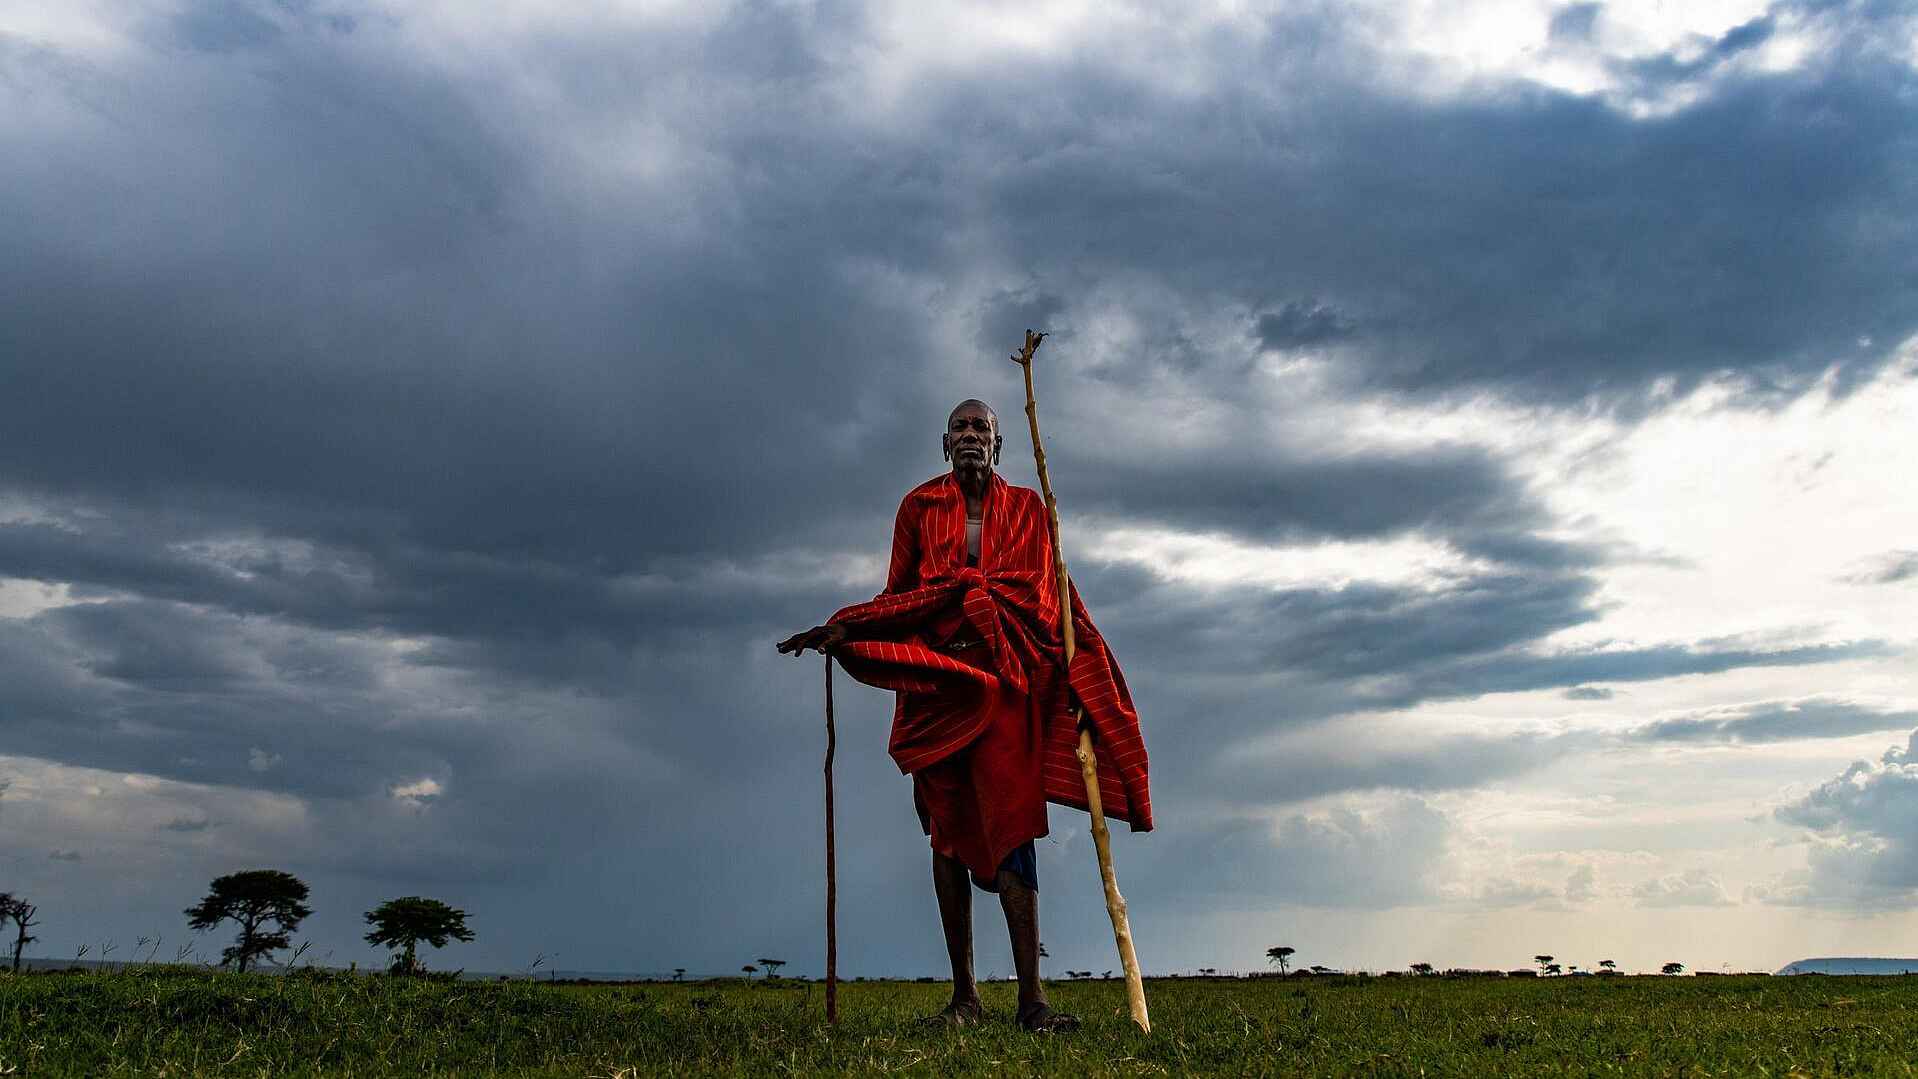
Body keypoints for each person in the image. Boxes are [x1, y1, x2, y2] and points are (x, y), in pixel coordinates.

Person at [778, 399, 1151, 1034]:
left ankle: (1032, 1001)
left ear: (1000, 446)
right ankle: (964, 998)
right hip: (939, 686)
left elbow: (1050, 599)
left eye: (983, 428)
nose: (972, 435)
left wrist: (1080, 679)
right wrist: (848, 627)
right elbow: (901, 596)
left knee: (1012, 826)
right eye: (962, 427)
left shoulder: (1031, 510)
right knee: (946, 831)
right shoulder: (919, 507)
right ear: (943, 443)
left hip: (1007, 685)